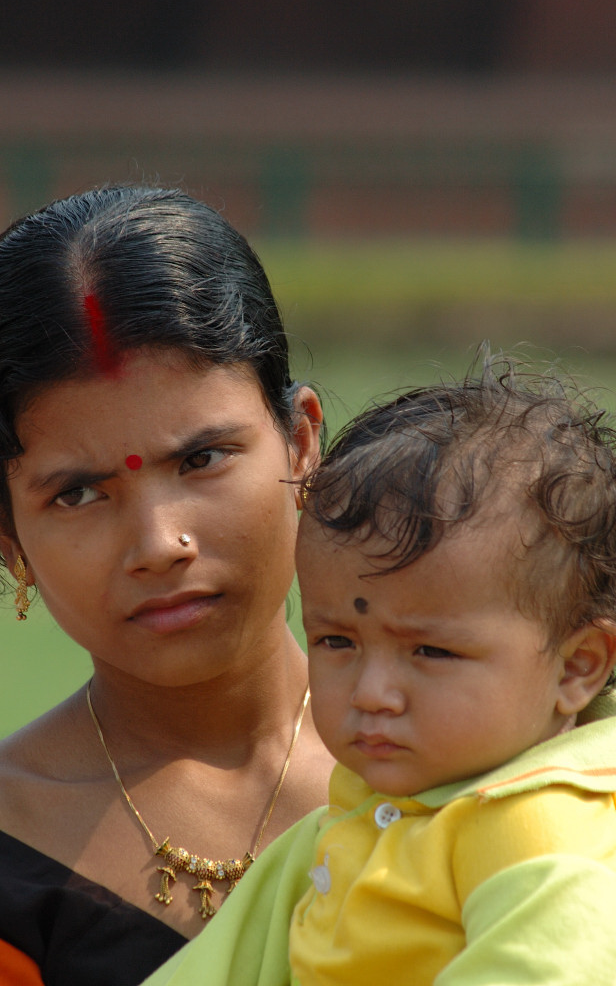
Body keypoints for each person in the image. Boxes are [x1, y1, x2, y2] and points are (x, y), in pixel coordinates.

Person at [0, 184, 334, 986]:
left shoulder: (490, 762)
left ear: (300, 444)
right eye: (78, 494)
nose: (158, 545)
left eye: (201, 459)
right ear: (4, 530)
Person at [148, 354, 616, 986]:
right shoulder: (339, 824)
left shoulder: (543, 828)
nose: (371, 694)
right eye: (337, 641)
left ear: (578, 666)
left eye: (431, 652)